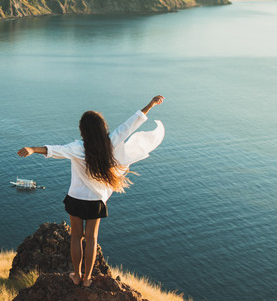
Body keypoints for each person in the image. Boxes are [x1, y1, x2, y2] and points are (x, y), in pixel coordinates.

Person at [16, 95, 165, 288]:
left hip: (75, 199)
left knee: (76, 237)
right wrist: (151, 105)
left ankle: (76, 275)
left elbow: (54, 150)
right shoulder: (110, 143)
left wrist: (32, 149)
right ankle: (87, 279)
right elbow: (131, 124)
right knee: (92, 238)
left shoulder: (77, 148)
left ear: (83, 130)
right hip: (95, 201)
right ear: (102, 128)